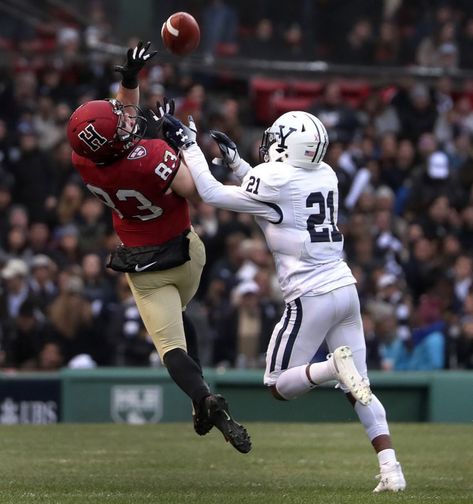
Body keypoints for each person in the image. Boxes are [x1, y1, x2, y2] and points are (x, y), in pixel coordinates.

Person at [161, 110, 406, 491]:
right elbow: (274, 201)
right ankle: (392, 470)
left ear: (288, 143)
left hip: (310, 295)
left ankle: (330, 370)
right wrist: (238, 164)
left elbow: (212, 193)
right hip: (344, 288)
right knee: (362, 388)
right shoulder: (326, 174)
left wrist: (189, 146)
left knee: (277, 384)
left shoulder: (275, 178)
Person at [65, 41, 251, 454]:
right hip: (187, 253)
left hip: (145, 269)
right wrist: (179, 141)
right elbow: (198, 189)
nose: (127, 117)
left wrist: (129, 82)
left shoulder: (86, 161)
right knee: (180, 322)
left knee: (170, 349)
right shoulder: (150, 155)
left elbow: (117, 129)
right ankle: (204, 404)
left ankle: (202, 399)